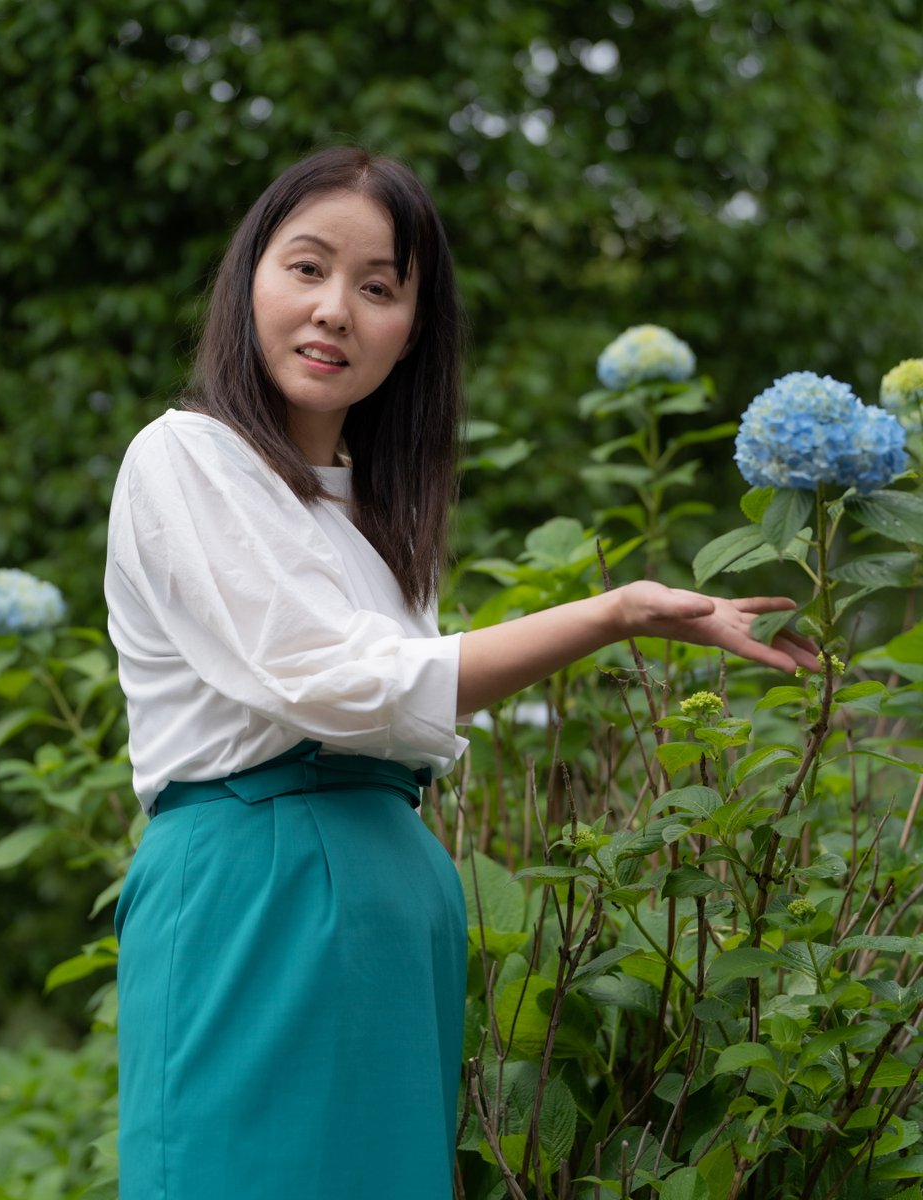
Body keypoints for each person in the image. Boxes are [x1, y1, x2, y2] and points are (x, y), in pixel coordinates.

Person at [104, 145, 819, 1200]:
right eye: (306, 268)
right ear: (248, 277)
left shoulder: (376, 517)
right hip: (253, 896)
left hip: (390, 916)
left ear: (414, 332)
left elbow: (413, 706)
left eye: (379, 287)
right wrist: (617, 612)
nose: (335, 309)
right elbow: (330, 686)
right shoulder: (185, 457)